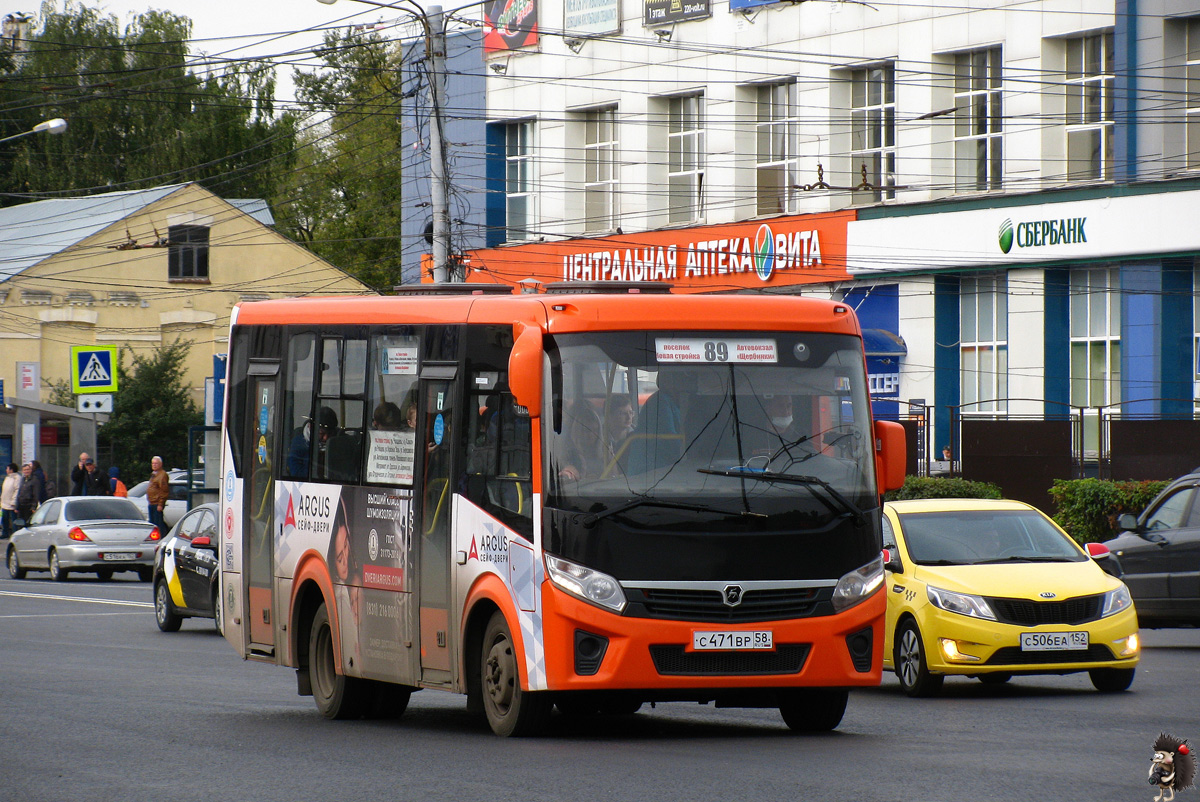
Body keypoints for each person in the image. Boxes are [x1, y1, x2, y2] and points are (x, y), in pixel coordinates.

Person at [287, 406, 338, 477]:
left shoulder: (339, 444)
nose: (326, 438)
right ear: (311, 427)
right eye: (321, 433)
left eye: (330, 434)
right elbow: (296, 472)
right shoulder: (299, 444)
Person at [146, 455, 169, 532]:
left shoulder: (162, 475)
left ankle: (161, 538)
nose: (154, 465)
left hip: (157, 503)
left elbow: (164, 490)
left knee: (158, 524)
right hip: (151, 502)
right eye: (153, 463)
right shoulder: (154, 474)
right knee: (152, 524)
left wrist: (160, 504)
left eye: (156, 463)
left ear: (160, 464)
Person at [1, 463, 20, 538]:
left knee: (13, 519)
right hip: (4, 502)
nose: (6, 470)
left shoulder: (17, 478)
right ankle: (5, 533)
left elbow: (16, 490)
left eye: (7, 469)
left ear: (11, 470)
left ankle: (14, 534)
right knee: (4, 519)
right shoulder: (7, 477)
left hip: (11, 503)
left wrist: (13, 501)